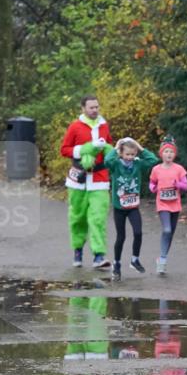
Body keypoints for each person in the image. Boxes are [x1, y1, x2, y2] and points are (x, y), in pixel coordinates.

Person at [60, 96, 113, 269]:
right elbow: (64, 150)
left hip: (99, 179)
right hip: (78, 179)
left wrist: (110, 151)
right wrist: (84, 150)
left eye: (97, 107)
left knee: (98, 218)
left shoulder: (104, 126)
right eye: (91, 107)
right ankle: (78, 250)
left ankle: (99, 256)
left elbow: (109, 147)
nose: (95, 110)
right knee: (78, 218)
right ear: (83, 108)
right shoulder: (75, 126)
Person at [103, 137, 159, 281]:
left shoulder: (138, 164)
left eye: (133, 154)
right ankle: (116, 264)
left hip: (133, 207)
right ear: (121, 154)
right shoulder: (116, 164)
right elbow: (107, 161)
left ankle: (135, 260)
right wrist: (116, 148)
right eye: (127, 154)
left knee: (138, 232)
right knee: (121, 237)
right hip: (119, 208)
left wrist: (140, 147)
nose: (130, 157)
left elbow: (153, 160)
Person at [149, 136, 187, 276]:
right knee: (166, 230)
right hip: (162, 204)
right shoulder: (156, 169)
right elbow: (152, 183)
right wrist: (153, 188)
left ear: (174, 154)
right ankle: (163, 259)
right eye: (166, 151)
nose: (169, 154)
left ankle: (162, 257)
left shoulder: (179, 169)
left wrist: (178, 184)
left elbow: (186, 186)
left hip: (175, 204)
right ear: (161, 154)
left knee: (170, 232)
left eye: (171, 152)